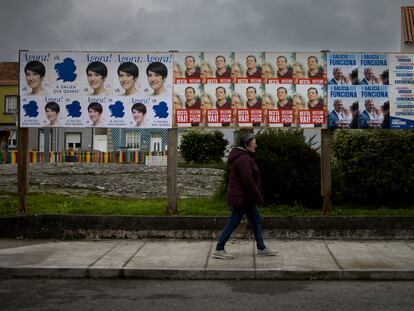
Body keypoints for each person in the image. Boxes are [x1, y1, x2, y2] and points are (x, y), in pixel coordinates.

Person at [212, 133, 277, 260]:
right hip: (242, 199)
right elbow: (248, 181)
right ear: (247, 144)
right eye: (254, 143)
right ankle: (219, 248)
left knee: (256, 220)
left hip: (246, 198)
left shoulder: (243, 157)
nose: (256, 145)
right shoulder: (244, 159)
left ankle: (261, 247)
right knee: (233, 222)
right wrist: (258, 196)